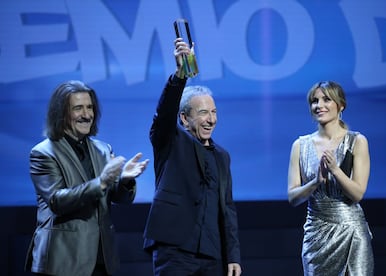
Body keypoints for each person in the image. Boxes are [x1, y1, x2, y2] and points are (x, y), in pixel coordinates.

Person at [24, 80, 150, 276]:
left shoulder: (102, 149)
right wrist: (101, 182)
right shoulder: (43, 153)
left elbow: (119, 198)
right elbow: (57, 201)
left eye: (90, 107)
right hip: (64, 260)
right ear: (61, 113)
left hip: (102, 259)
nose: (86, 115)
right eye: (78, 108)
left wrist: (124, 181)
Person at [143, 38, 242, 276]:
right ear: (185, 119)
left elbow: (227, 208)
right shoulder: (171, 141)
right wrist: (180, 74)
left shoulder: (222, 156)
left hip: (212, 254)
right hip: (175, 251)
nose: (211, 119)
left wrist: (233, 256)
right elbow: (164, 113)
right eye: (203, 113)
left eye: (214, 112)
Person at [287, 81, 374, 275]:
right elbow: (293, 197)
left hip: (351, 232)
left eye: (326, 99)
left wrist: (335, 169)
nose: (319, 105)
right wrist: (316, 182)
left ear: (340, 105)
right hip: (316, 235)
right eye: (314, 101)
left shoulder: (357, 141)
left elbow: (357, 193)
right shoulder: (300, 146)